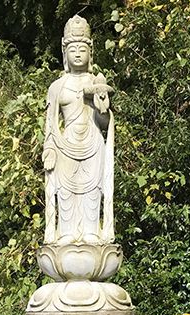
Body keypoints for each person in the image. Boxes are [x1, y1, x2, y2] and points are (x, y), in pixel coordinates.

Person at [42, 15, 115, 246]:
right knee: (65, 190)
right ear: (65, 53)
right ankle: (67, 232)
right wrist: (49, 149)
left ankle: (91, 231)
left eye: (82, 49)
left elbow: (104, 124)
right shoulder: (56, 87)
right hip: (65, 144)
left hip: (93, 142)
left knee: (93, 190)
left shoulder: (96, 83)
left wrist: (102, 108)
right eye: (72, 49)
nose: (77, 54)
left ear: (90, 52)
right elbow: (50, 124)